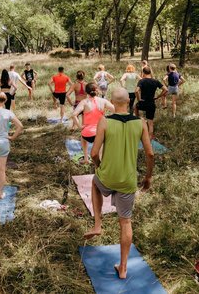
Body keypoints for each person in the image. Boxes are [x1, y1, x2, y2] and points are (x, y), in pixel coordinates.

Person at [83, 88, 154, 280]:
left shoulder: (105, 121)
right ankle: (123, 268)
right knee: (125, 222)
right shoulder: (140, 123)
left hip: (107, 176)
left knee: (95, 183)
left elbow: (95, 153)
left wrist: (99, 168)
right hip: (128, 180)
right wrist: (147, 177)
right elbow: (150, 154)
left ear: (113, 103)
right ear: (129, 102)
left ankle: (98, 224)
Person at [71, 83, 115, 164]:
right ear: (97, 91)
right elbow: (116, 110)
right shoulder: (103, 101)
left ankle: (86, 159)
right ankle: (101, 160)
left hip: (87, 134)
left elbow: (74, 115)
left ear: (86, 92)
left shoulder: (84, 102)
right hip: (99, 133)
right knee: (102, 143)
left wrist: (80, 126)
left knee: (83, 138)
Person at [135, 66, 167, 139]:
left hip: (142, 103)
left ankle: (138, 119)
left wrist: (139, 99)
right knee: (150, 123)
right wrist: (158, 97)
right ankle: (149, 139)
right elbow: (165, 89)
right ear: (150, 72)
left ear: (143, 72)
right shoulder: (155, 81)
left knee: (135, 107)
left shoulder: (142, 81)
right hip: (151, 104)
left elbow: (136, 91)